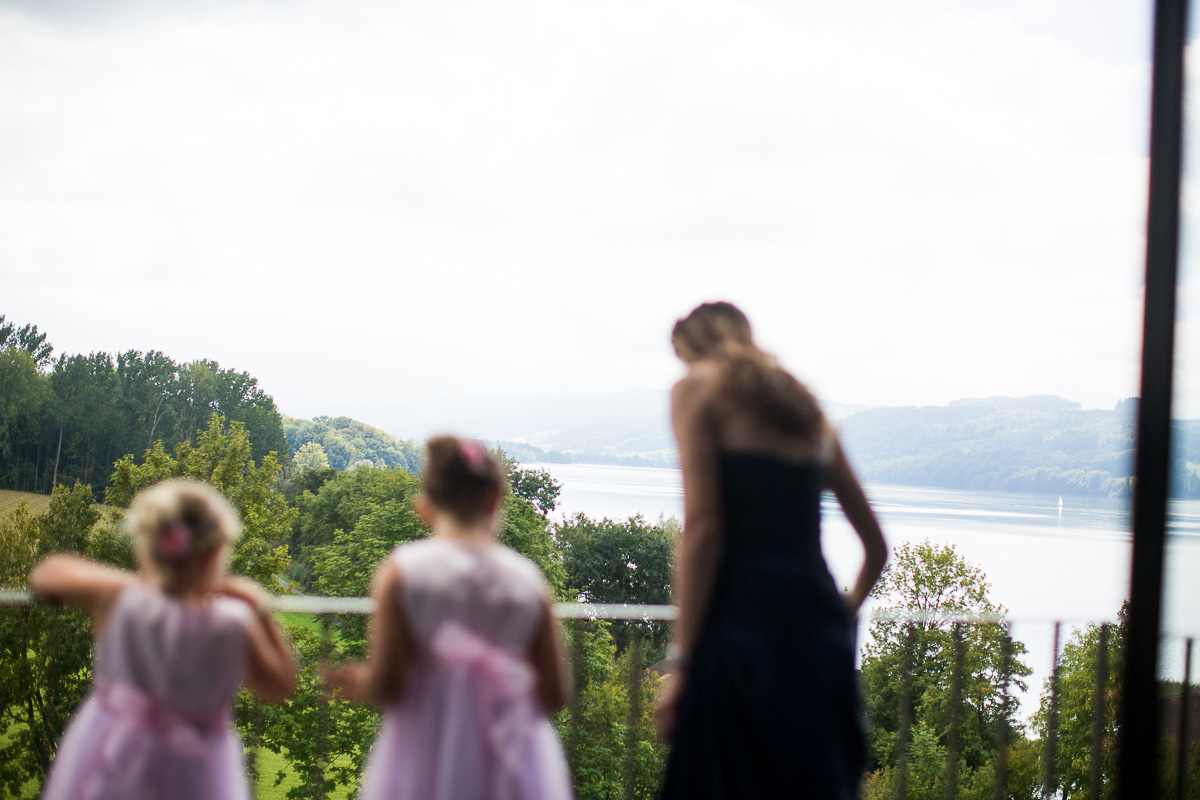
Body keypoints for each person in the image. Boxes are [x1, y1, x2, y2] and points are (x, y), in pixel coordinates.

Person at [655, 301, 887, 799]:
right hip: (819, 637)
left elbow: (704, 531)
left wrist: (681, 663)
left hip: (744, 633)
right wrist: (842, 616)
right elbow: (876, 548)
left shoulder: (697, 388)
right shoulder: (806, 412)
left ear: (694, 348)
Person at [322, 435, 572, 800]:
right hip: (513, 758)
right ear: (496, 498)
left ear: (424, 506)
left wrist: (355, 682)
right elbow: (554, 693)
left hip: (426, 750)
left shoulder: (404, 571)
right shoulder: (528, 581)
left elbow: (387, 683)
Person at [29, 478, 297, 800]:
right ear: (216, 552)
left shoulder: (119, 600)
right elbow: (281, 684)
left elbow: (46, 575)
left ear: (148, 545)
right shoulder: (235, 624)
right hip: (197, 771)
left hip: (112, 758)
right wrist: (257, 605)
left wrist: (130, 584)